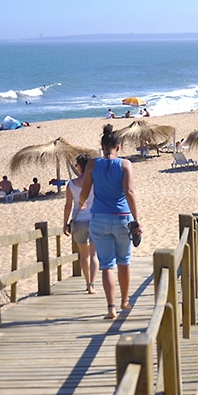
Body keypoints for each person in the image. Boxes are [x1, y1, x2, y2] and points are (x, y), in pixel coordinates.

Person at [80, 125, 142, 319]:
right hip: (122, 217)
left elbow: (85, 191)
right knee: (124, 261)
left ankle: (111, 308)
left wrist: (81, 204)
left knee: (107, 264)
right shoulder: (125, 164)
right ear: (119, 146)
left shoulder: (91, 165)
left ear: (102, 145)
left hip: (98, 218)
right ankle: (124, 301)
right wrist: (137, 219)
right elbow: (129, 192)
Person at [64, 154, 99, 295]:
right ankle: (92, 284)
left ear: (79, 166)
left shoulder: (71, 184)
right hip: (94, 220)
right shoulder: (95, 182)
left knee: (84, 255)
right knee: (93, 255)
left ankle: (87, 283)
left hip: (78, 222)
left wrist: (64, 223)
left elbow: (68, 206)